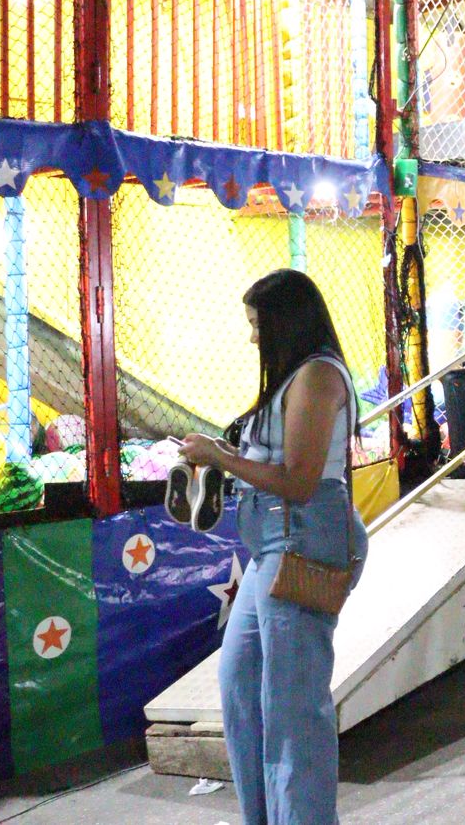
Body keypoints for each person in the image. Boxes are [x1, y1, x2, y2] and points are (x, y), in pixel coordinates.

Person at [178, 270, 369, 825]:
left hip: (301, 541)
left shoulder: (316, 376)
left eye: (258, 325)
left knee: (292, 708)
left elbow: (299, 481)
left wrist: (221, 459)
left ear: (285, 321)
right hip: (272, 548)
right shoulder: (293, 378)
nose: (253, 338)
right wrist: (219, 451)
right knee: (240, 684)